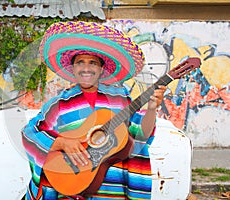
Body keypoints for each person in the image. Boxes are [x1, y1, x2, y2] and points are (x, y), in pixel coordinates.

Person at [22, 21, 167, 200]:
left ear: (101, 69)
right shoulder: (58, 104)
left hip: (113, 190)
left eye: (93, 63)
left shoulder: (120, 97)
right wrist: (60, 143)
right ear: (73, 68)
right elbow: (30, 133)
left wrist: (152, 109)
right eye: (80, 62)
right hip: (72, 188)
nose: (86, 68)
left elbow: (141, 134)